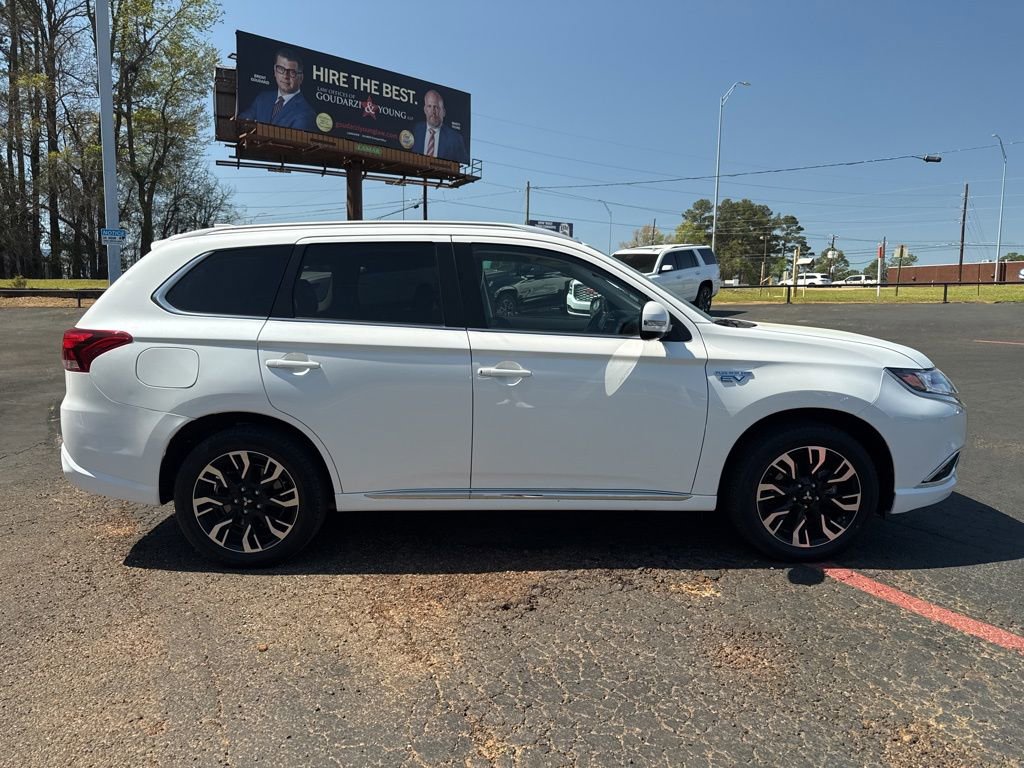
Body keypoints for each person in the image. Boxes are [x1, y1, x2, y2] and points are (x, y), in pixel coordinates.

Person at [238, 48, 316, 132]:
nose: (285, 76)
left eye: (292, 72)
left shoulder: (306, 114)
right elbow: (242, 120)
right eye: (281, 69)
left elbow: (293, 142)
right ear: (275, 71)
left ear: (301, 78)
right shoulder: (263, 98)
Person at [412, 89, 469, 164]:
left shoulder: (455, 139)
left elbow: (464, 161)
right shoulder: (415, 130)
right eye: (429, 106)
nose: (433, 111)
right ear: (425, 110)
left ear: (444, 112)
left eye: (436, 107)